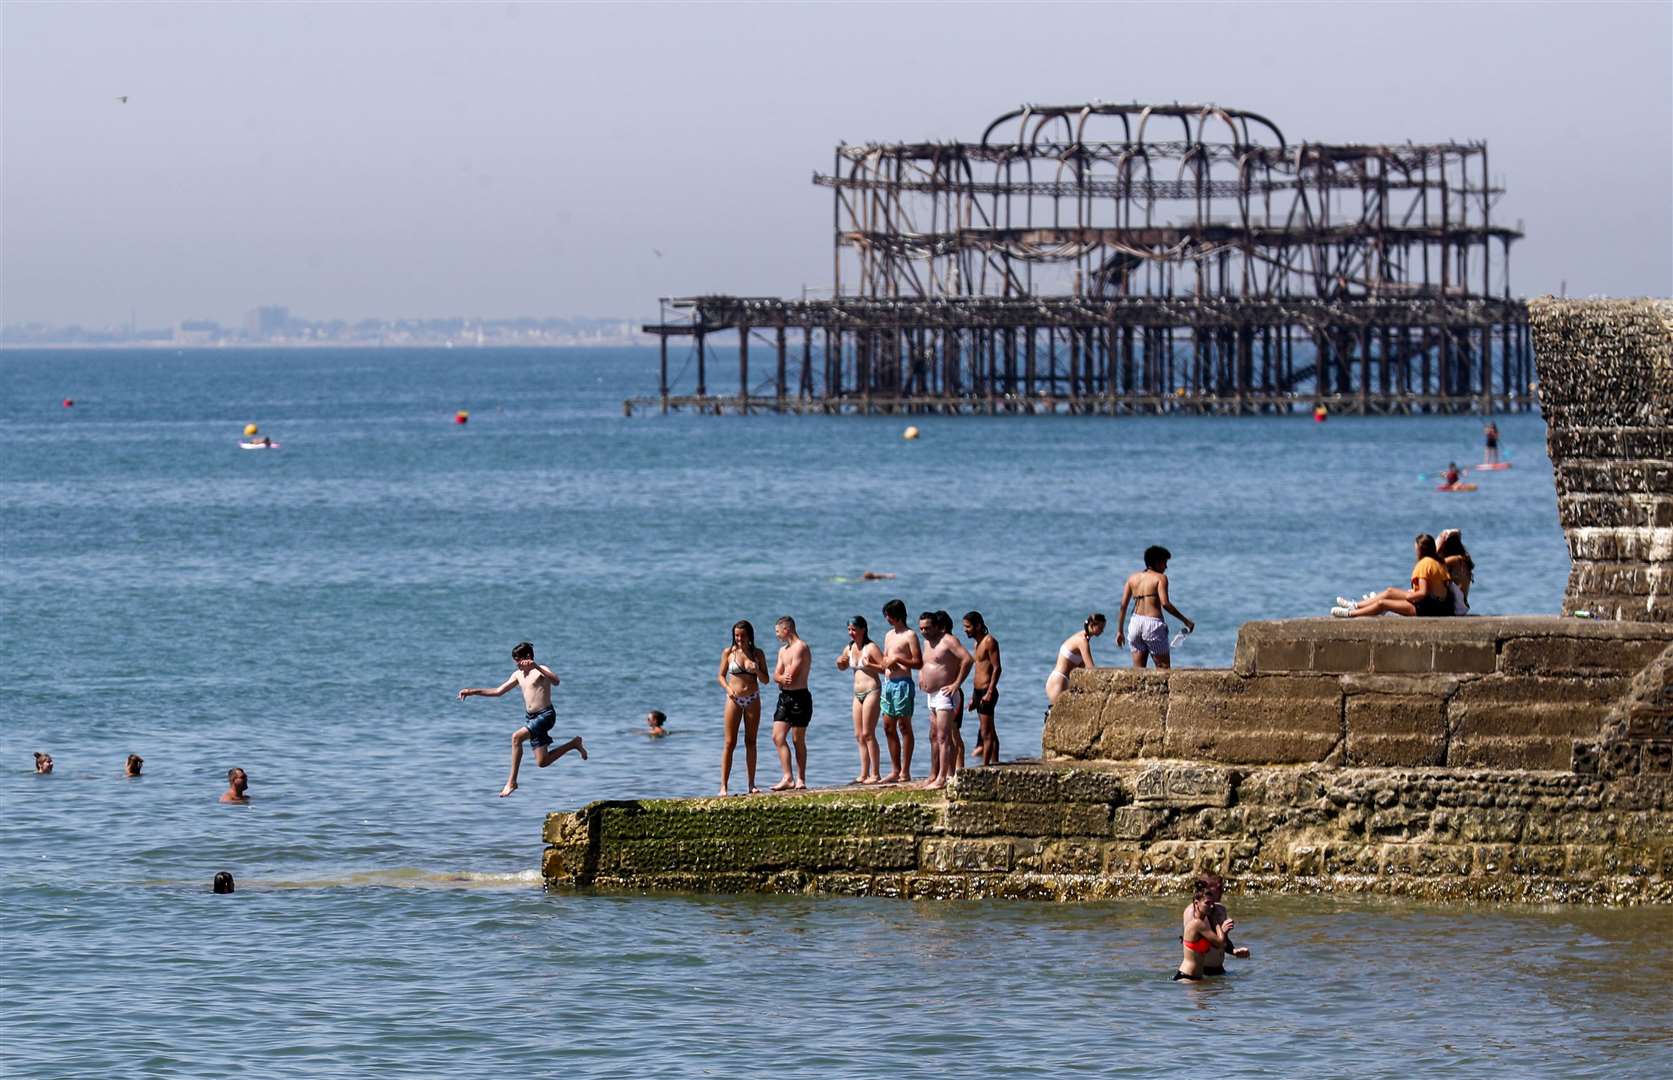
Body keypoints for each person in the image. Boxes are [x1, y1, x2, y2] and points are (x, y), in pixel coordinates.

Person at [457, 641, 587, 798]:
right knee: (542, 762)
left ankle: (512, 782)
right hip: (531, 717)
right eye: (515, 661)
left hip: (546, 715)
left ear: (528, 657)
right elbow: (498, 691)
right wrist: (472, 691)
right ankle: (574, 744)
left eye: (519, 660)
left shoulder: (541, 670)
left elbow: (556, 681)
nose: (517, 664)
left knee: (516, 737)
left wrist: (536, 666)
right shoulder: (518, 675)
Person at [1332, 533, 1453, 618]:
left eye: (1416, 548)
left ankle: (1350, 614)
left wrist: (1408, 596)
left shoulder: (1424, 564)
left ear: (1421, 550)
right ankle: (1355, 605)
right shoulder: (1437, 561)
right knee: (1390, 591)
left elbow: (1423, 592)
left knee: (1383, 604)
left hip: (1430, 608)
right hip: (1441, 605)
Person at [918, 610, 973, 789]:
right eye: (921, 629)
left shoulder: (948, 640)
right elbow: (926, 663)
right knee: (933, 736)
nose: (924, 632)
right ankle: (934, 774)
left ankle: (943, 778)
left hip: (945, 694)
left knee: (943, 736)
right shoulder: (926, 642)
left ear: (937, 627)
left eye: (927, 628)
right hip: (931, 695)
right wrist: (921, 675)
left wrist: (956, 684)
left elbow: (967, 659)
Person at [1117, 546, 1196, 669]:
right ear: (1157, 562)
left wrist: (1119, 631)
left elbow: (1123, 606)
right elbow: (1165, 604)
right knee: (1163, 670)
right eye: (1165, 563)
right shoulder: (1160, 578)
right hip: (1152, 625)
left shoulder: (1132, 578)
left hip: (1135, 624)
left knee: (1138, 672)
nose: (1166, 567)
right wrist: (1185, 621)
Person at [715, 620, 767, 796]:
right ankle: (723, 786)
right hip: (734, 699)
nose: (739, 638)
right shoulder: (728, 653)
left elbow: (766, 680)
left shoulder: (757, 653)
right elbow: (721, 676)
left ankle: (751, 784)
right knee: (730, 743)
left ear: (750, 636)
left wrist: (757, 670)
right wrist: (728, 689)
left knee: (751, 742)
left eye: (743, 635)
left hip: (753, 698)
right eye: (736, 635)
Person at [877, 599, 923, 783]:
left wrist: (899, 660)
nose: (886, 618)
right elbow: (885, 659)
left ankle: (905, 770)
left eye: (888, 615)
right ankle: (894, 770)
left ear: (896, 615)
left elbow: (918, 663)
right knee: (888, 727)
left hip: (903, 684)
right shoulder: (888, 635)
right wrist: (884, 662)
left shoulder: (910, 635)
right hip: (888, 683)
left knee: (904, 726)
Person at [836, 615, 885, 784]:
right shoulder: (849, 648)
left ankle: (875, 774)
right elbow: (843, 667)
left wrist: (870, 665)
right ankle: (863, 774)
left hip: (872, 690)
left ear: (863, 629)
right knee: (859, 735)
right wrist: (839, 662)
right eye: (849, 629)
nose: (851, 632)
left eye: (854, 629)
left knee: (868, 733)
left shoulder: (871, 648)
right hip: (857, 694)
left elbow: (885, 668)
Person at [770, 616, 813, 791]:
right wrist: (780, 678)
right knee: (777, 737)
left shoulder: (801, 647)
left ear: (786, 629)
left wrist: (782, 678)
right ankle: (787, 777)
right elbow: (777, 676)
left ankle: (800, 778)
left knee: (797, 739)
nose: (777, 635)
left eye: (778, 631)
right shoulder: (783, 651)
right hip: (784, 698)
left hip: (800, 697)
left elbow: (791, 677)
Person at [1175, 877, 1237, 982]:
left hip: (1197, 978)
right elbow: (1220, 943)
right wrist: (1218, 925)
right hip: (1187, 977)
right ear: (1196, 904)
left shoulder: (1201, 923)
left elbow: (1217, 944)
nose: (1211, 906)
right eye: (1207, 903)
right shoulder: (1197, 924)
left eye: (1212, 903)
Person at [963, 611, 1002, 767]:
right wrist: (974, 697)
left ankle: (985, 767)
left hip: (987, 691)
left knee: (986, 732)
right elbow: (979, 670)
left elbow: (997, 668)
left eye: (968, 626)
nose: (965, 630)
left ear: (978, 625)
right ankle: (995, 762)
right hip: (978, 692)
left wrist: (990, 692)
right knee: (990, 730)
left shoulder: (989, 641)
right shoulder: (976, 643)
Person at [1194, 873, 1251, 975]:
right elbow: (1198, 946)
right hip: (1202, 973)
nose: (1222, 891)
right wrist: (1222, 932)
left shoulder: (1220, 910)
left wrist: (1233, 951)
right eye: (1219, 888)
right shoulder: (1192, 912)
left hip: (1220, 970)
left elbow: (1224, 941)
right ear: (1206, 888)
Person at [1045, 614, 1104, 704]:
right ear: (1092, 626)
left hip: (1061, 681)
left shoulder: (1083, 638)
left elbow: (1082, 669)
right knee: (1060, 714)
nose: (1102, 631)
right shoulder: (1082, 641)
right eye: (1100, 628)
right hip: (1059, 681)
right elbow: (1091, 668)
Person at [1438, 528, 1475, 615]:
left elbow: (1431, 565)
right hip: (1461, 607)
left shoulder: (1455, 559)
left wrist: (1438, 546)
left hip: (1456, 608)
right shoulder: (1463, 559)